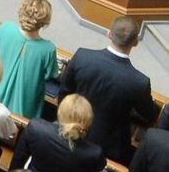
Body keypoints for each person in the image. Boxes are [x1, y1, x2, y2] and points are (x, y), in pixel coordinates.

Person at [59, 15, 159, 164]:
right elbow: (150, 115)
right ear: (136, 42)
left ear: (109, 33)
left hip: (70, 132)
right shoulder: (139, 82)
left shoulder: (82, 57)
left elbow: (64, 94)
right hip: (109, 149)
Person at [0, 0, 58, 119]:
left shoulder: (4, 28)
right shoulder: (48, 50)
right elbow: (50, 75)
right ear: (44, 22)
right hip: (24, 113)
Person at [9, 93, 105, 172]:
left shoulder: (35, 128)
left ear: (60, 111)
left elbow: (17, 163)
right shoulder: (94, 154)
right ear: (87, 122)